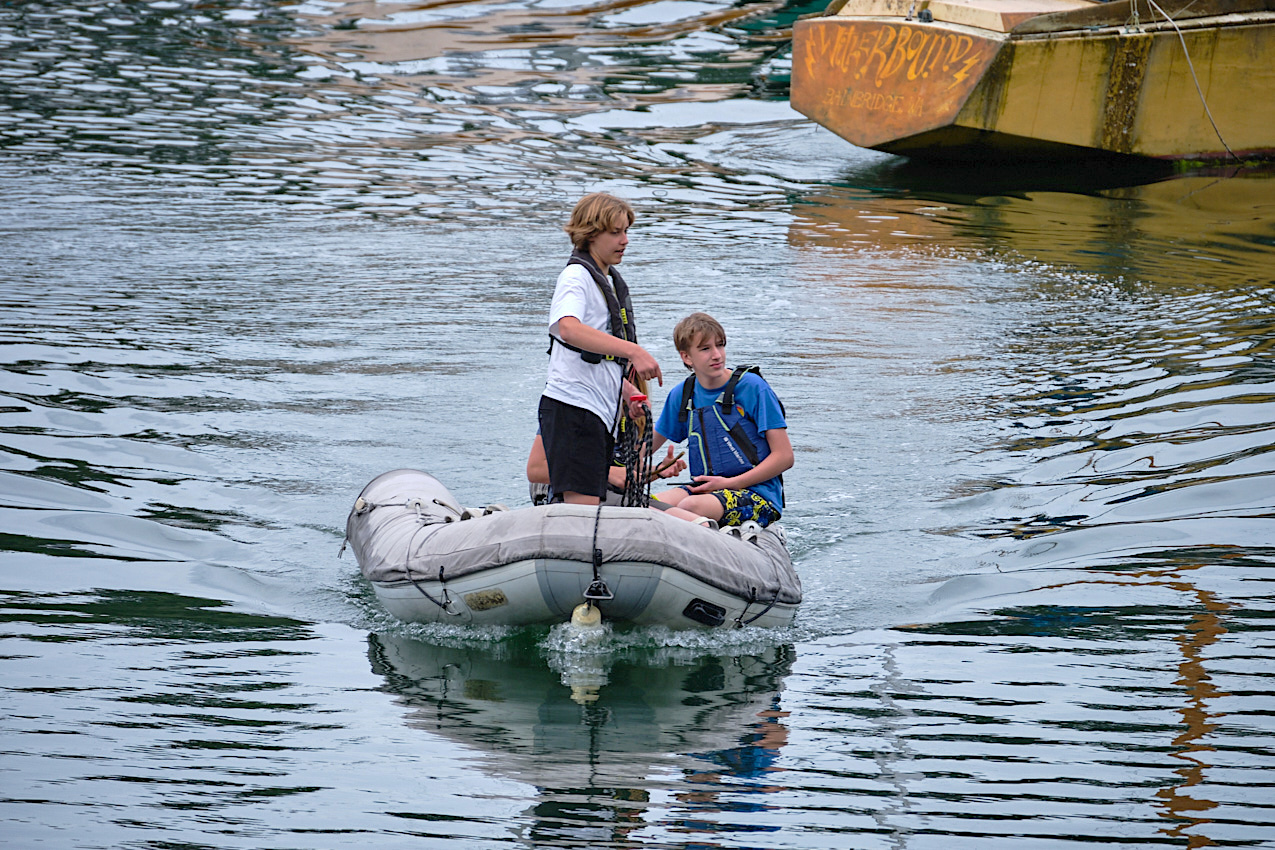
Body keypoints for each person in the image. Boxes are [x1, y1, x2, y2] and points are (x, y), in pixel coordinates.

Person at [538, 192, 664, 505]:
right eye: (616, 232)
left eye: (627, 231)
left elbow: (594, 357)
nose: (625, 240)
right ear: (591, 233)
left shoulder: (606, 281)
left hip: (595, 411)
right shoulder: (576, 276)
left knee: (591, 511)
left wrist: (624, 392)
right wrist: (633, 351)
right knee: (583, 513)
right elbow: (568, 328)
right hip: (573, 410)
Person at [650, 312, 792, 528]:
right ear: (686, 357)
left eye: (720, 345)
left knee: (689, 507)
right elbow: (645, 447)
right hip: (705, 489)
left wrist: (730, 484)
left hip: (757, 494)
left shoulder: (753, 387)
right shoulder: (682, 394)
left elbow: (784, 457)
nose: (717, 355)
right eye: (705, 348)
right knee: (647, 505)